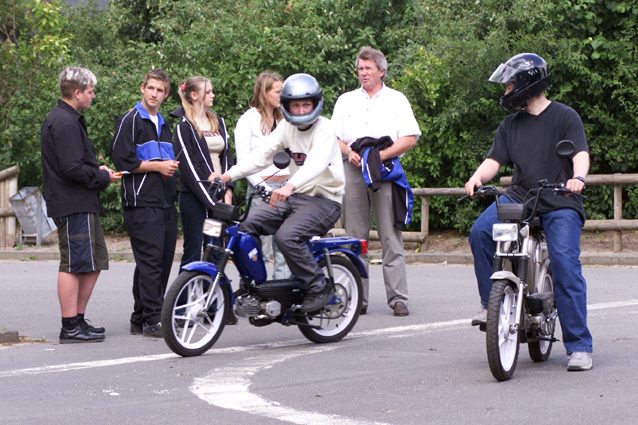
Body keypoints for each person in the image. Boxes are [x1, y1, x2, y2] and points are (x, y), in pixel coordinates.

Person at [464, 53, 593, 371]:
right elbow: (494, 161)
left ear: (526, 83)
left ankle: (579, 346)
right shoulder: (510, 125)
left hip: (560, 198)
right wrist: (477, 178)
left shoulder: (565, 116)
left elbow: (580, 153)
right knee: (480, 231)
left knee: (564, 261)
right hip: (521, 195)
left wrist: (577, 179)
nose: (506, 91)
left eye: (509, 84)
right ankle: (488, 304)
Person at [213, 73, 344, 313]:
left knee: (286, 237)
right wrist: (227, 175)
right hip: (296, 198)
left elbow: (315, 164)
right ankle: (256, 286)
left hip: (325, 201)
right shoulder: (286, 127)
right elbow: (261, 156)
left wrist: (289, 185)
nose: (302, 109)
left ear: (316, 103)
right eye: (296, 104)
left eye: (307, 104)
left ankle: (317, 286)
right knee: (246, 225)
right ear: (287, 105)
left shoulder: (324, 128)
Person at [332, 46, 421, 316]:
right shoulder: (346, 100)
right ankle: (357, 297)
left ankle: (398, 298)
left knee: (390, 235)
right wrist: (349, 152)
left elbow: (410, 138)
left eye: (368, 68)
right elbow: (332, 137)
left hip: (384, 168)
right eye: (360, 68)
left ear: (382, 71)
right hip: (353, 169)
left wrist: (379, 156)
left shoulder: (396, 100)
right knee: (354, 238)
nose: (363, 73)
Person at [40, 67, 121, 343]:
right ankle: (69, 325)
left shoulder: (67, 119)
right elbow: (71, 169)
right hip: (73, 203)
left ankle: (78, 320)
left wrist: (96, 168)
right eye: (90, 92)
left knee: (94, 261)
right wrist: (101, 176)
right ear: (77, 93)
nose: (93, 96)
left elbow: (73, 163)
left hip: (82, 202)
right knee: (73, 263)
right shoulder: (63, 122)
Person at [111, 69, 179, 338]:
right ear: (142, 88)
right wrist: (157, 166)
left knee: (157, 263)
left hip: (165, 202)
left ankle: (139, 318)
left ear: (166, 94)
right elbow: (122, 161)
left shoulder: (164, 123)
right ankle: (154, 320)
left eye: (160, 90)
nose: (154, 94)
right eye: (150, 88)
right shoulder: (129, 120)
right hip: (140, 203)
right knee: (151, 263)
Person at [169, 76, 234, 270]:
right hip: (195, 200)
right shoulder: (184, 127)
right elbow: (189, 167)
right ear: (194, 95)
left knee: (214, 250)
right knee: (194, 253)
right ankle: (186, 298)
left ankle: (212, 298)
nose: (213, 95)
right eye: (208, 92)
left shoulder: (218, 122)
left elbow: (228, 158)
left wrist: (228, 191)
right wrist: (212, 203)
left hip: (219, 197)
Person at [234, 70, 291, 279]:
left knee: (284, 249)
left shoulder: (287, 119)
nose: (282, 96)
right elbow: (244, 163)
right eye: (278, 92)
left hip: (285, 187)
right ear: (263, 93)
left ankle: (281, 300)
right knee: (259, 251)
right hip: (260, 191)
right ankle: (260, 298)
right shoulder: (248, 120)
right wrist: (265, 189)